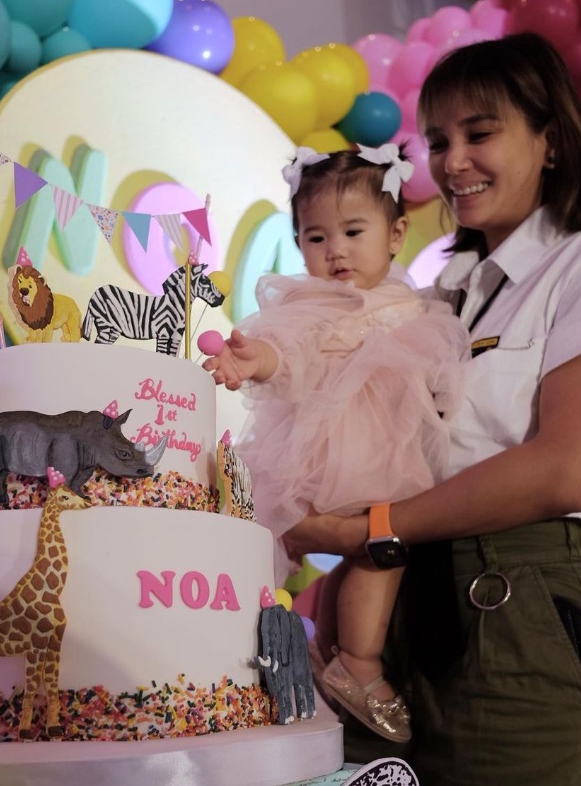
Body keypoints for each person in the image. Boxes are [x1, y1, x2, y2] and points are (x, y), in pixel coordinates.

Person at [282, 31, 581, 785]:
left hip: (527, 606)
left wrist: (372, 528)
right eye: (438, 140)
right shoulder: (438, 296)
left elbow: (569, 469)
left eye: (481, 133)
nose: (452, 162)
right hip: (396, 614)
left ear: (550, 141)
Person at [203, 143, 470, 743]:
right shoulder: (313, 302)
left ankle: (329, 652)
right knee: (379, 549)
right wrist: (255, 361)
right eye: (315, 238)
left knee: (366, 553)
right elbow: (289, 350)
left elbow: (440, 374)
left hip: (384, 448)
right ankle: (359, 663)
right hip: (333, 453)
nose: (336, 251)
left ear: (397, 233)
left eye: (353, 231)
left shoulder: (414, 305)